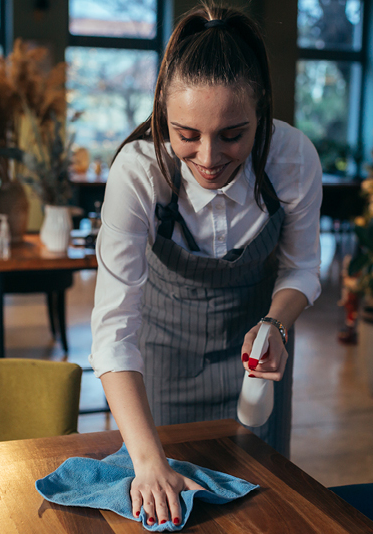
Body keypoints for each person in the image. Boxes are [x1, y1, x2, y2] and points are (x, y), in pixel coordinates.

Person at [89, 3, 322, 528]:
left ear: (261, 111)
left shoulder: (293, 158)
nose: (210, 156)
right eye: (187, 134)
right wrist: (148, 463)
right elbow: (113, 328)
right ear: (162, 116)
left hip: (257, 362)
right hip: (162, 362)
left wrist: (276, 322)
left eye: (233, 134)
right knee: (169, 508)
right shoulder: (139, 171)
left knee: (258, 507)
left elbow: (301, 270)